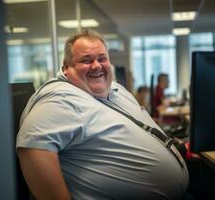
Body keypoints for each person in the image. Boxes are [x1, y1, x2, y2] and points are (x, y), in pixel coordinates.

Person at [16, 30, 189, 200]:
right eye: (86, 60)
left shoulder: (114, 88)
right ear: (66, 67)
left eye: (102, 58)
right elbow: (33, 147)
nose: (97, 65)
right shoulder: (60, 98)